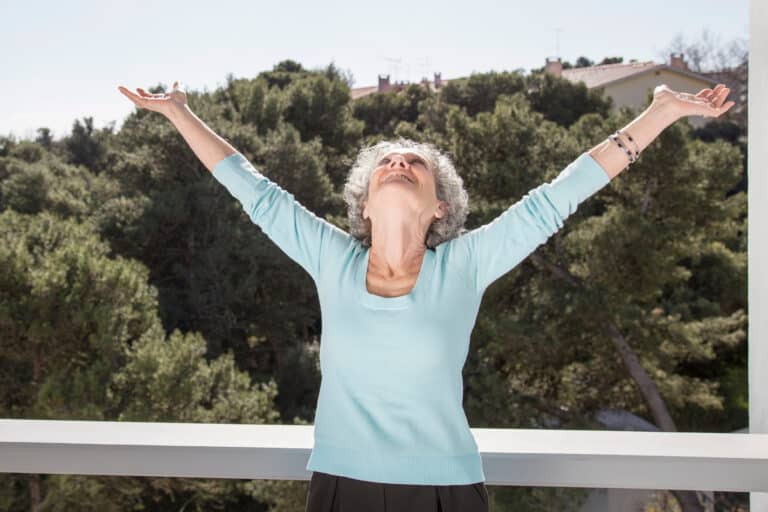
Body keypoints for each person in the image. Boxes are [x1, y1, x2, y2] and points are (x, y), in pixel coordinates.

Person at [118, 79, 733, 512]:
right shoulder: (333, 259)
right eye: (387, 160)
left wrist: (662, 110)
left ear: (441, 206)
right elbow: (253, 189)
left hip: (445, 489)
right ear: (362, 202)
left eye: (416, 162)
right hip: (340, 484)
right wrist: (178, 112)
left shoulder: (462, 268)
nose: (400, 161)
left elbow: (559, 195)